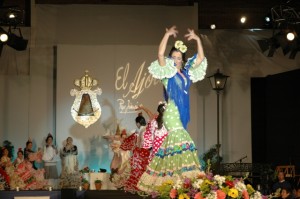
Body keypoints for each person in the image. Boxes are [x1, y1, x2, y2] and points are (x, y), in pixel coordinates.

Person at [137, 26, 207, 193]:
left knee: (175, 145)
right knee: (184, 141)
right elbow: (160, 54)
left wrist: (197, 40)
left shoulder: (186, 73)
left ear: (182, 59)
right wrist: (167, 35)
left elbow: (200, 58)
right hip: (172, 114)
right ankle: (178, 181)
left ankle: (175, 183)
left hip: (181, 113)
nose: (176, 59)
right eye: (173, 57)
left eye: (178, 57)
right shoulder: (167, 74)